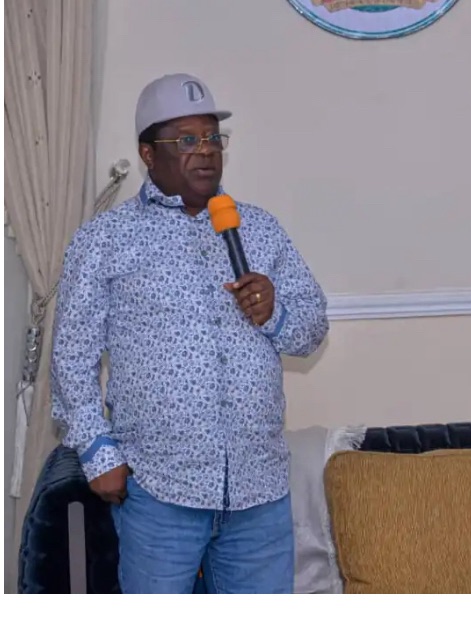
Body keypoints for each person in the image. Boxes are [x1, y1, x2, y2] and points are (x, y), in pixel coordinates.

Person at [50, 73, 329, 594]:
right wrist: (99, 453)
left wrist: (275, 313)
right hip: (161, 492)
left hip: (259, 492)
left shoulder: (259, 228)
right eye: (186, 140)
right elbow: (71, 356)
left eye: (212, 137)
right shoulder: (105, 239)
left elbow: (313, 330)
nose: (205, 151)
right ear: (148, 154)